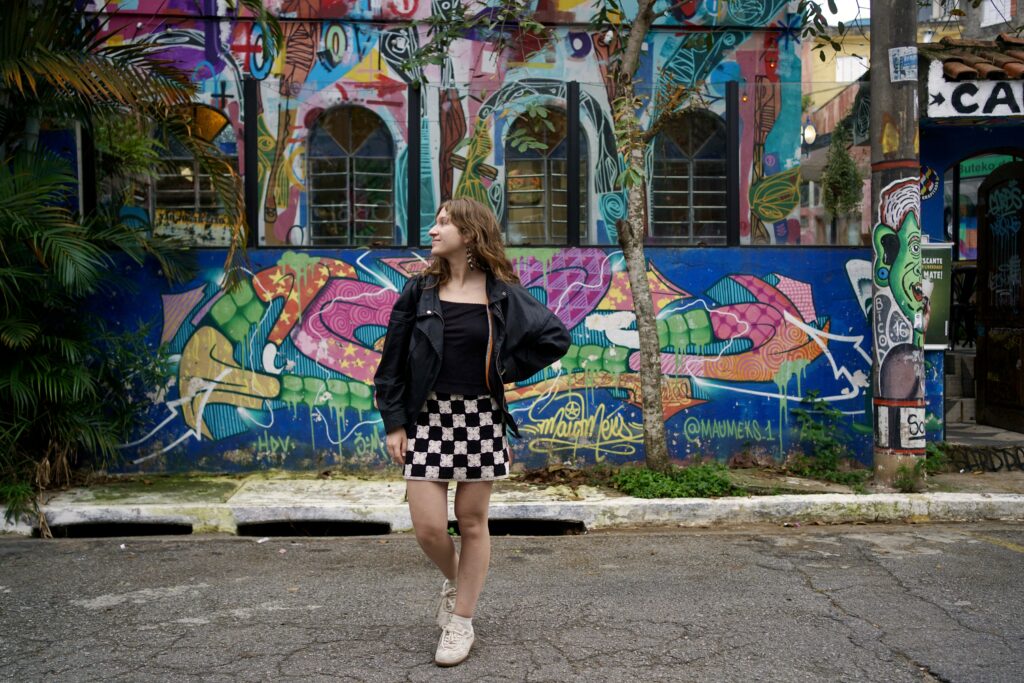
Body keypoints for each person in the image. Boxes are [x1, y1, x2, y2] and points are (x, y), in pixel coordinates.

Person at [373, 197, 570, 667]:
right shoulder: (418, 292)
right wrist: (394, 422)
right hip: (427, 417)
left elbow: (554, 337)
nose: (435, 229)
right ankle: (460, 582)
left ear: (470, 232)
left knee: (473, 521)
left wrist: (505, 368)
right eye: (436, 219)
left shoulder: (500, 292)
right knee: (426, 527)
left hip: (480, 417)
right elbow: (392, 362)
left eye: (445, 222)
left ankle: (461, 621)